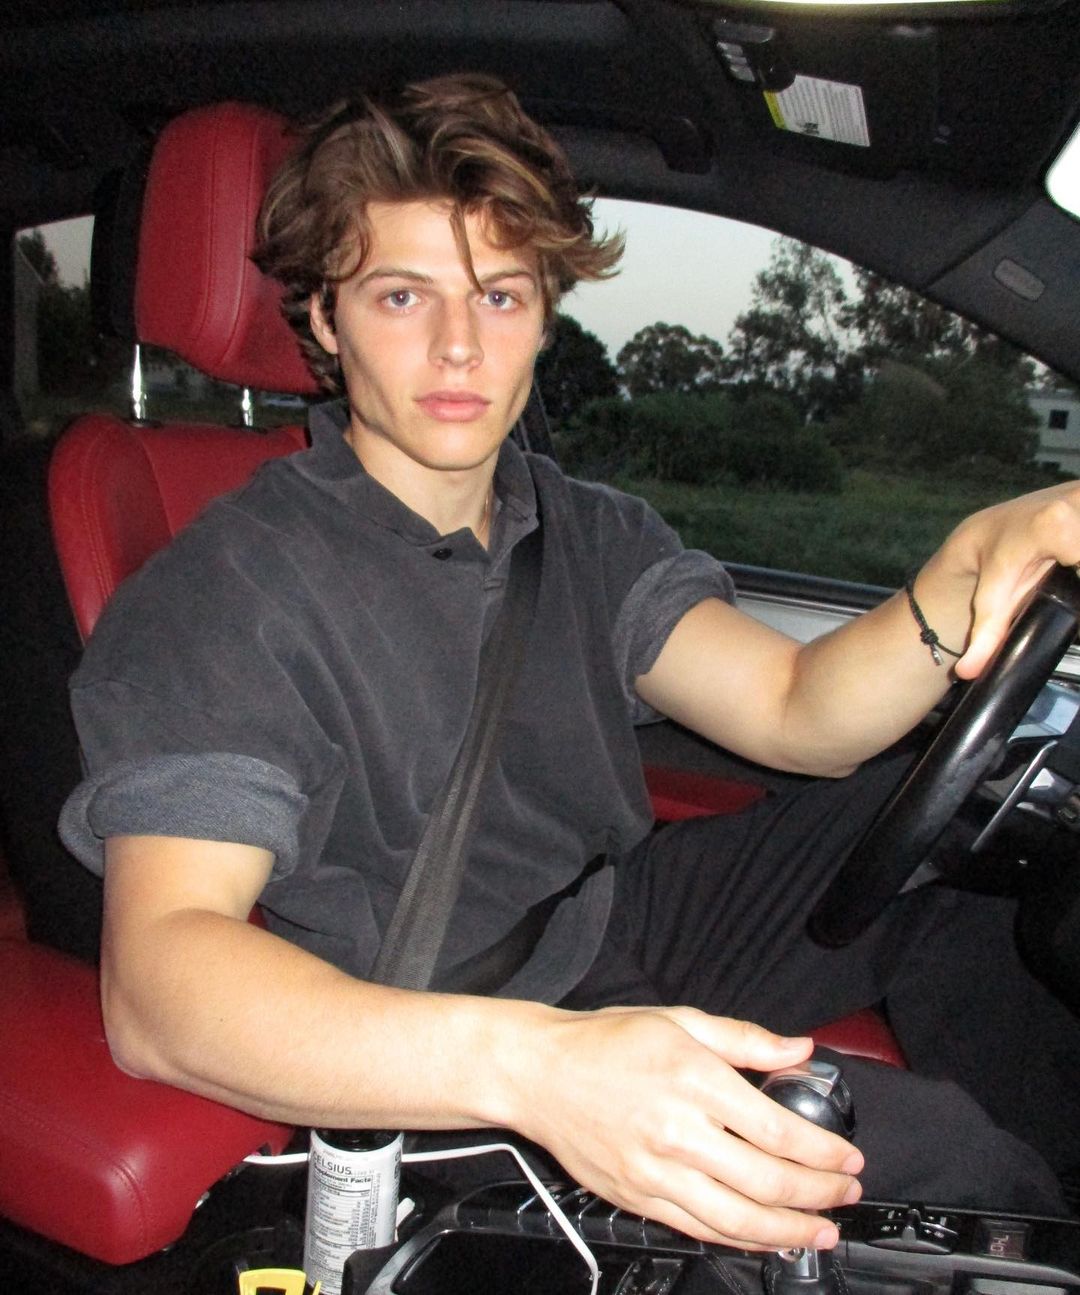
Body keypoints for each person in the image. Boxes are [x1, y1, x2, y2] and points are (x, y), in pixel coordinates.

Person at [59, 73, 1080, 1253]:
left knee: (966, 856)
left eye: (499, 294)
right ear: (326, 323)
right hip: (427, 1021)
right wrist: (548, 1071)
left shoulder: (578, 526)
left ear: (546, 313)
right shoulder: (231, 587)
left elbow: (799, 706)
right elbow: (159, 985)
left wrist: (970, 562)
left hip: (604, 917)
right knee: (934, 1162)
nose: (458, 343)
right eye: (401, 294)